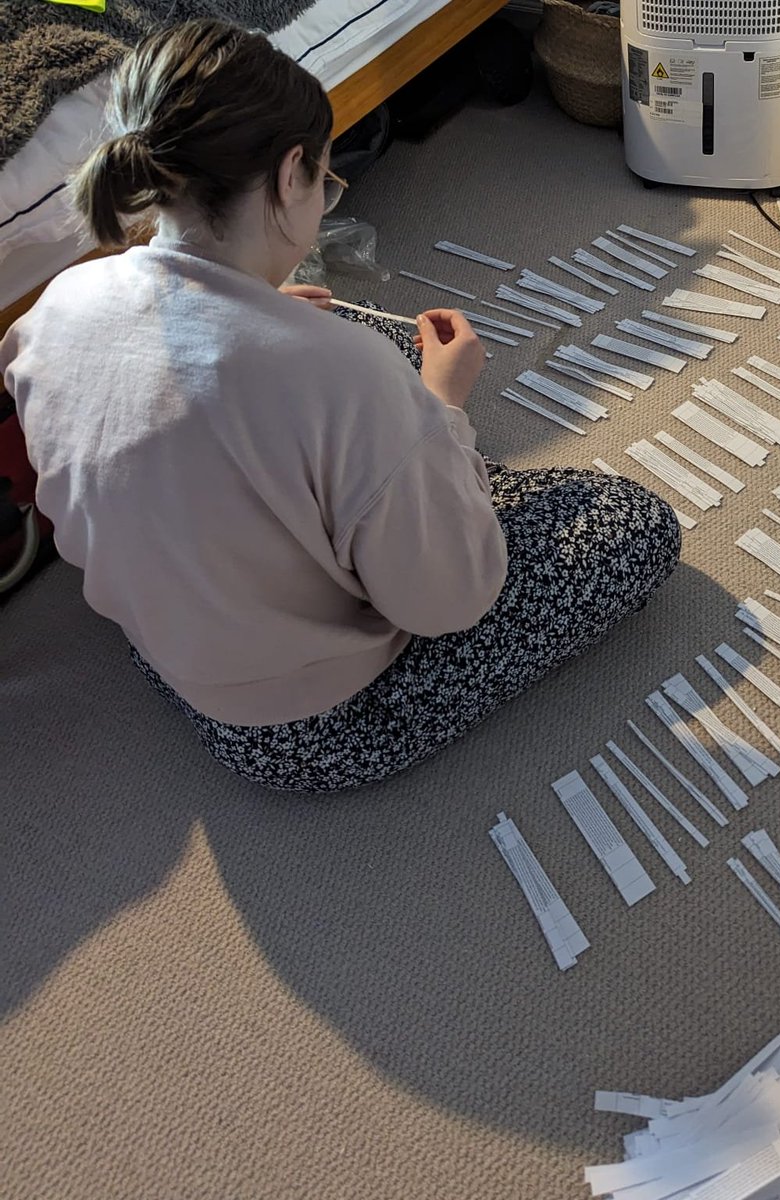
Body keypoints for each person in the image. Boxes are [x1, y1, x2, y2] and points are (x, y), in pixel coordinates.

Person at [0, 19, 680, 792]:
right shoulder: (343, 376)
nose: (323, 198)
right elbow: (448, 603)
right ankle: (422, 475)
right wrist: (442, 406)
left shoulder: (55, 306)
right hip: (310, 727)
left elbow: (138, 408)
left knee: (360, 360)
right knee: (628, 521)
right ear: (292, 171)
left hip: (165, 647)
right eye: (325, 180)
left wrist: (266, 314)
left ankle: (406, 478)